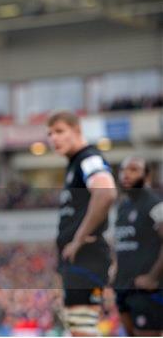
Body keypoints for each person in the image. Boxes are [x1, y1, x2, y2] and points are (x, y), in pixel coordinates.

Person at [47, 110, 117, 336]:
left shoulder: (88, 158)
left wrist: (77, 240)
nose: (53, 138)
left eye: (59, 131)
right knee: (79, 329)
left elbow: (105, 192)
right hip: (79, 262)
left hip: (87, 258)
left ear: (77, 131)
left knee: (83, 330)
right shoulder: (74, 165)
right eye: (50, 133)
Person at [113, 156, 162, 336]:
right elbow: (122, 244)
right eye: (123, 170)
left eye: (133, 170)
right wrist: (115, 269)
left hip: (146, 289)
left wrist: (153, 276)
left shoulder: (155, 204)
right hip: (123, 286)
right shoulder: (122, 207)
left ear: (147, 176)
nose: (126, 174)